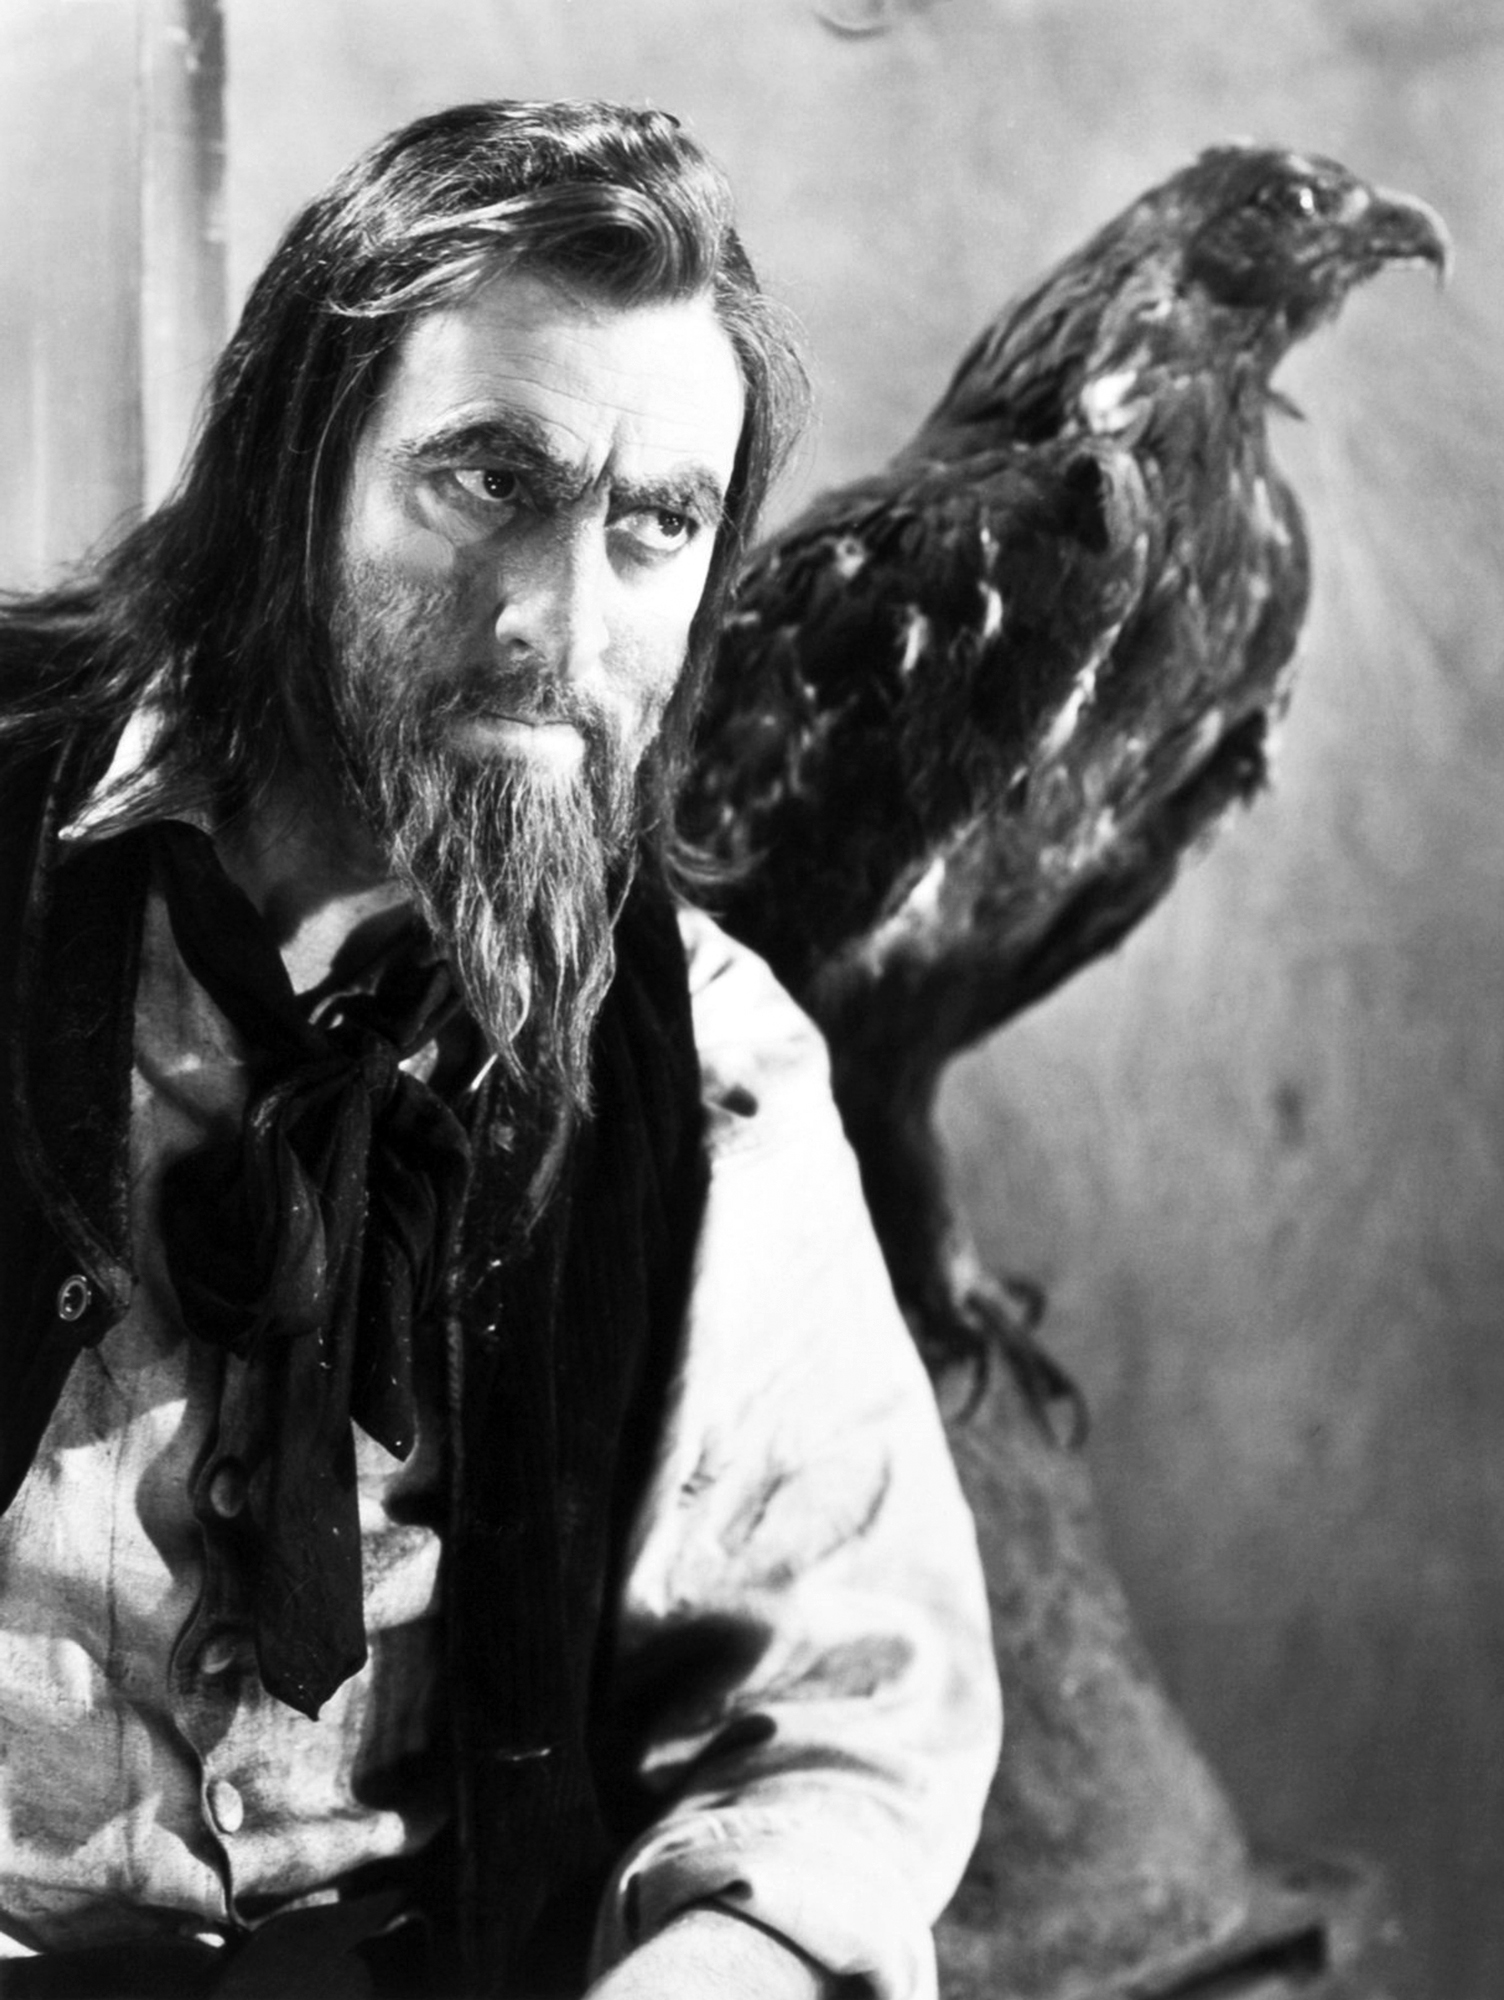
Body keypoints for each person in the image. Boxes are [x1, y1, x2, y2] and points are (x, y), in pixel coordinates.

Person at [0, 99, 1000, 2000]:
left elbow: (843, 1732)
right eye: (488, 480)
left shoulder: (702, 1066)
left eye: (656, 525)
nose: (559, 621)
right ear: (296, 478)